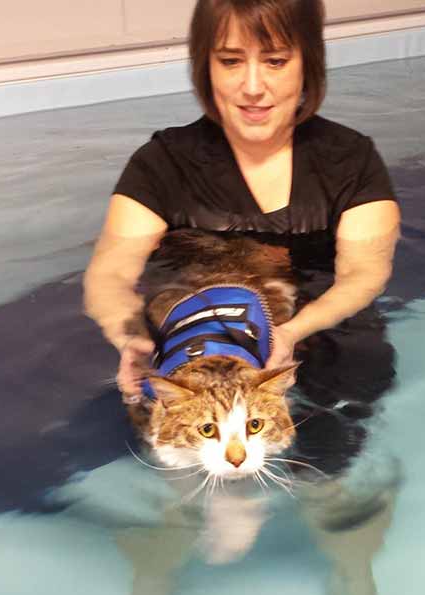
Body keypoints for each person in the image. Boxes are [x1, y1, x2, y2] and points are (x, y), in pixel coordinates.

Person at [83, 0, 401, 405]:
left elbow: (363, 272)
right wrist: (131, 336)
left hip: (319, 329)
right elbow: (109, 273)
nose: (252, 87)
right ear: (206, 68)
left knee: (358, 388)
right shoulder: (162, 164)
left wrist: (290, 332)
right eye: (231, 61)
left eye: (275, 61)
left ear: (308, 64)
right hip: (196, 333)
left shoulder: (351, 160)